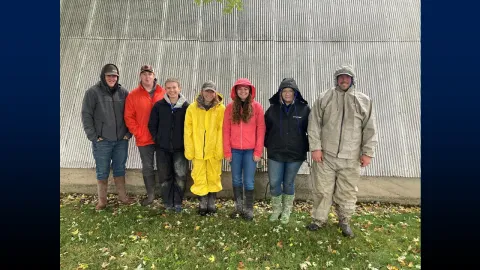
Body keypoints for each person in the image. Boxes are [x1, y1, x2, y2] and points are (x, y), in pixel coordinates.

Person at [306, 65, 378, 237]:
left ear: (352, 80)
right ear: (336, 79)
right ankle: (318, 219)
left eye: (347, 77)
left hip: (351, 157)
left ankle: (344, 221)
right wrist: (315, 148)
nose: (343, 80)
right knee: (322, 190)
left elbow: (370, 129)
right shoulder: (325, 98)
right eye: (340, 77)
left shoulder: (363, 101)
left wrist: (368, 152)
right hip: (326, 156)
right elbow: (314, 124)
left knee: (347, 191)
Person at [81, 63, 134, 210]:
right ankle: (102, 201)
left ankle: (123, 197)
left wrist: (129, 133)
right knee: (102, 170)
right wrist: (93, 136)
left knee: (120, 168)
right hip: (102, 141)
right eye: (109, 76)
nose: (112, 78)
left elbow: (131, 114)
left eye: (115, 76)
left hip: (121, 141)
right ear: (103, 77)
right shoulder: (92, 93)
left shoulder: (124, 93)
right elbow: (86, 115)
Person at [264, 78, 310, 224]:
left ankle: (286, 210)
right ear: (280, 93)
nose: (288, 94)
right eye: (285, 91)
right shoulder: (273, 109)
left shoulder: (304, 109)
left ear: (295, 93)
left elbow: (312, 130)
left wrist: (308, 148)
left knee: (288, 182)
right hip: (275, 153)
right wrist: (269, 145)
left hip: (295, 154)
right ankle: (276, 209)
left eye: (290, 91)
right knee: (275, 182)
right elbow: (265, 129)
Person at [223, 78, 266, 221]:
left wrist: (258, 151)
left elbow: (261, 130)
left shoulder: (257, 107)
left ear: (250, 91)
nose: (243, 91)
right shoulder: (229, 108)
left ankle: (248, 209)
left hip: (250, 151)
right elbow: (225, 130)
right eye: (240, 89)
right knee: (236, 180)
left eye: (246, 89)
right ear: (235, 91)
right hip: (234, 151)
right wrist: (227, 151)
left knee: (248, 181)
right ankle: (238, 207)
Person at [124, 65, 166, 206]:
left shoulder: (163, 92)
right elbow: (129, 117)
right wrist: (139, 133)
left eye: (149, 74)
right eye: (144, 74)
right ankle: (151, 196)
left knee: (163, 166)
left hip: (161, 138)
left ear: (154, 76)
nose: (147, 77)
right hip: (144, 138)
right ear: (140, 76)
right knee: (147, 166)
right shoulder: (133, 95)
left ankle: (165, 194)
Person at [184, 81, 225, 216]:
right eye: (206, 91)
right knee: (199, 176)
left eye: (211, 91)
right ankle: (203, 203)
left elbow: (223, 131)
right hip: (198, 151)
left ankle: (211, 202)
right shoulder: (192, 108)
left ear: (215, 93)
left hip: (213, 151)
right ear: (202, 92)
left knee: (213, 176)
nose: (209, 94)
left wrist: (220, 149)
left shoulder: (221, 109)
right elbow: (188, 130)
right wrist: (189, 149)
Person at [148, 78, 189, 212]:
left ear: (179, 88)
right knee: (165, 177)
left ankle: (177, 202)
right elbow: (152, 125)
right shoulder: (159, 106)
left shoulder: (186, 107)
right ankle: (167, 202)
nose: (172, 90)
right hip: (162, 148)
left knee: (180, 176)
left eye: (174, 87)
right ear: (165, 89)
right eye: (169, 88)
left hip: (180, 149)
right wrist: (157, 138)